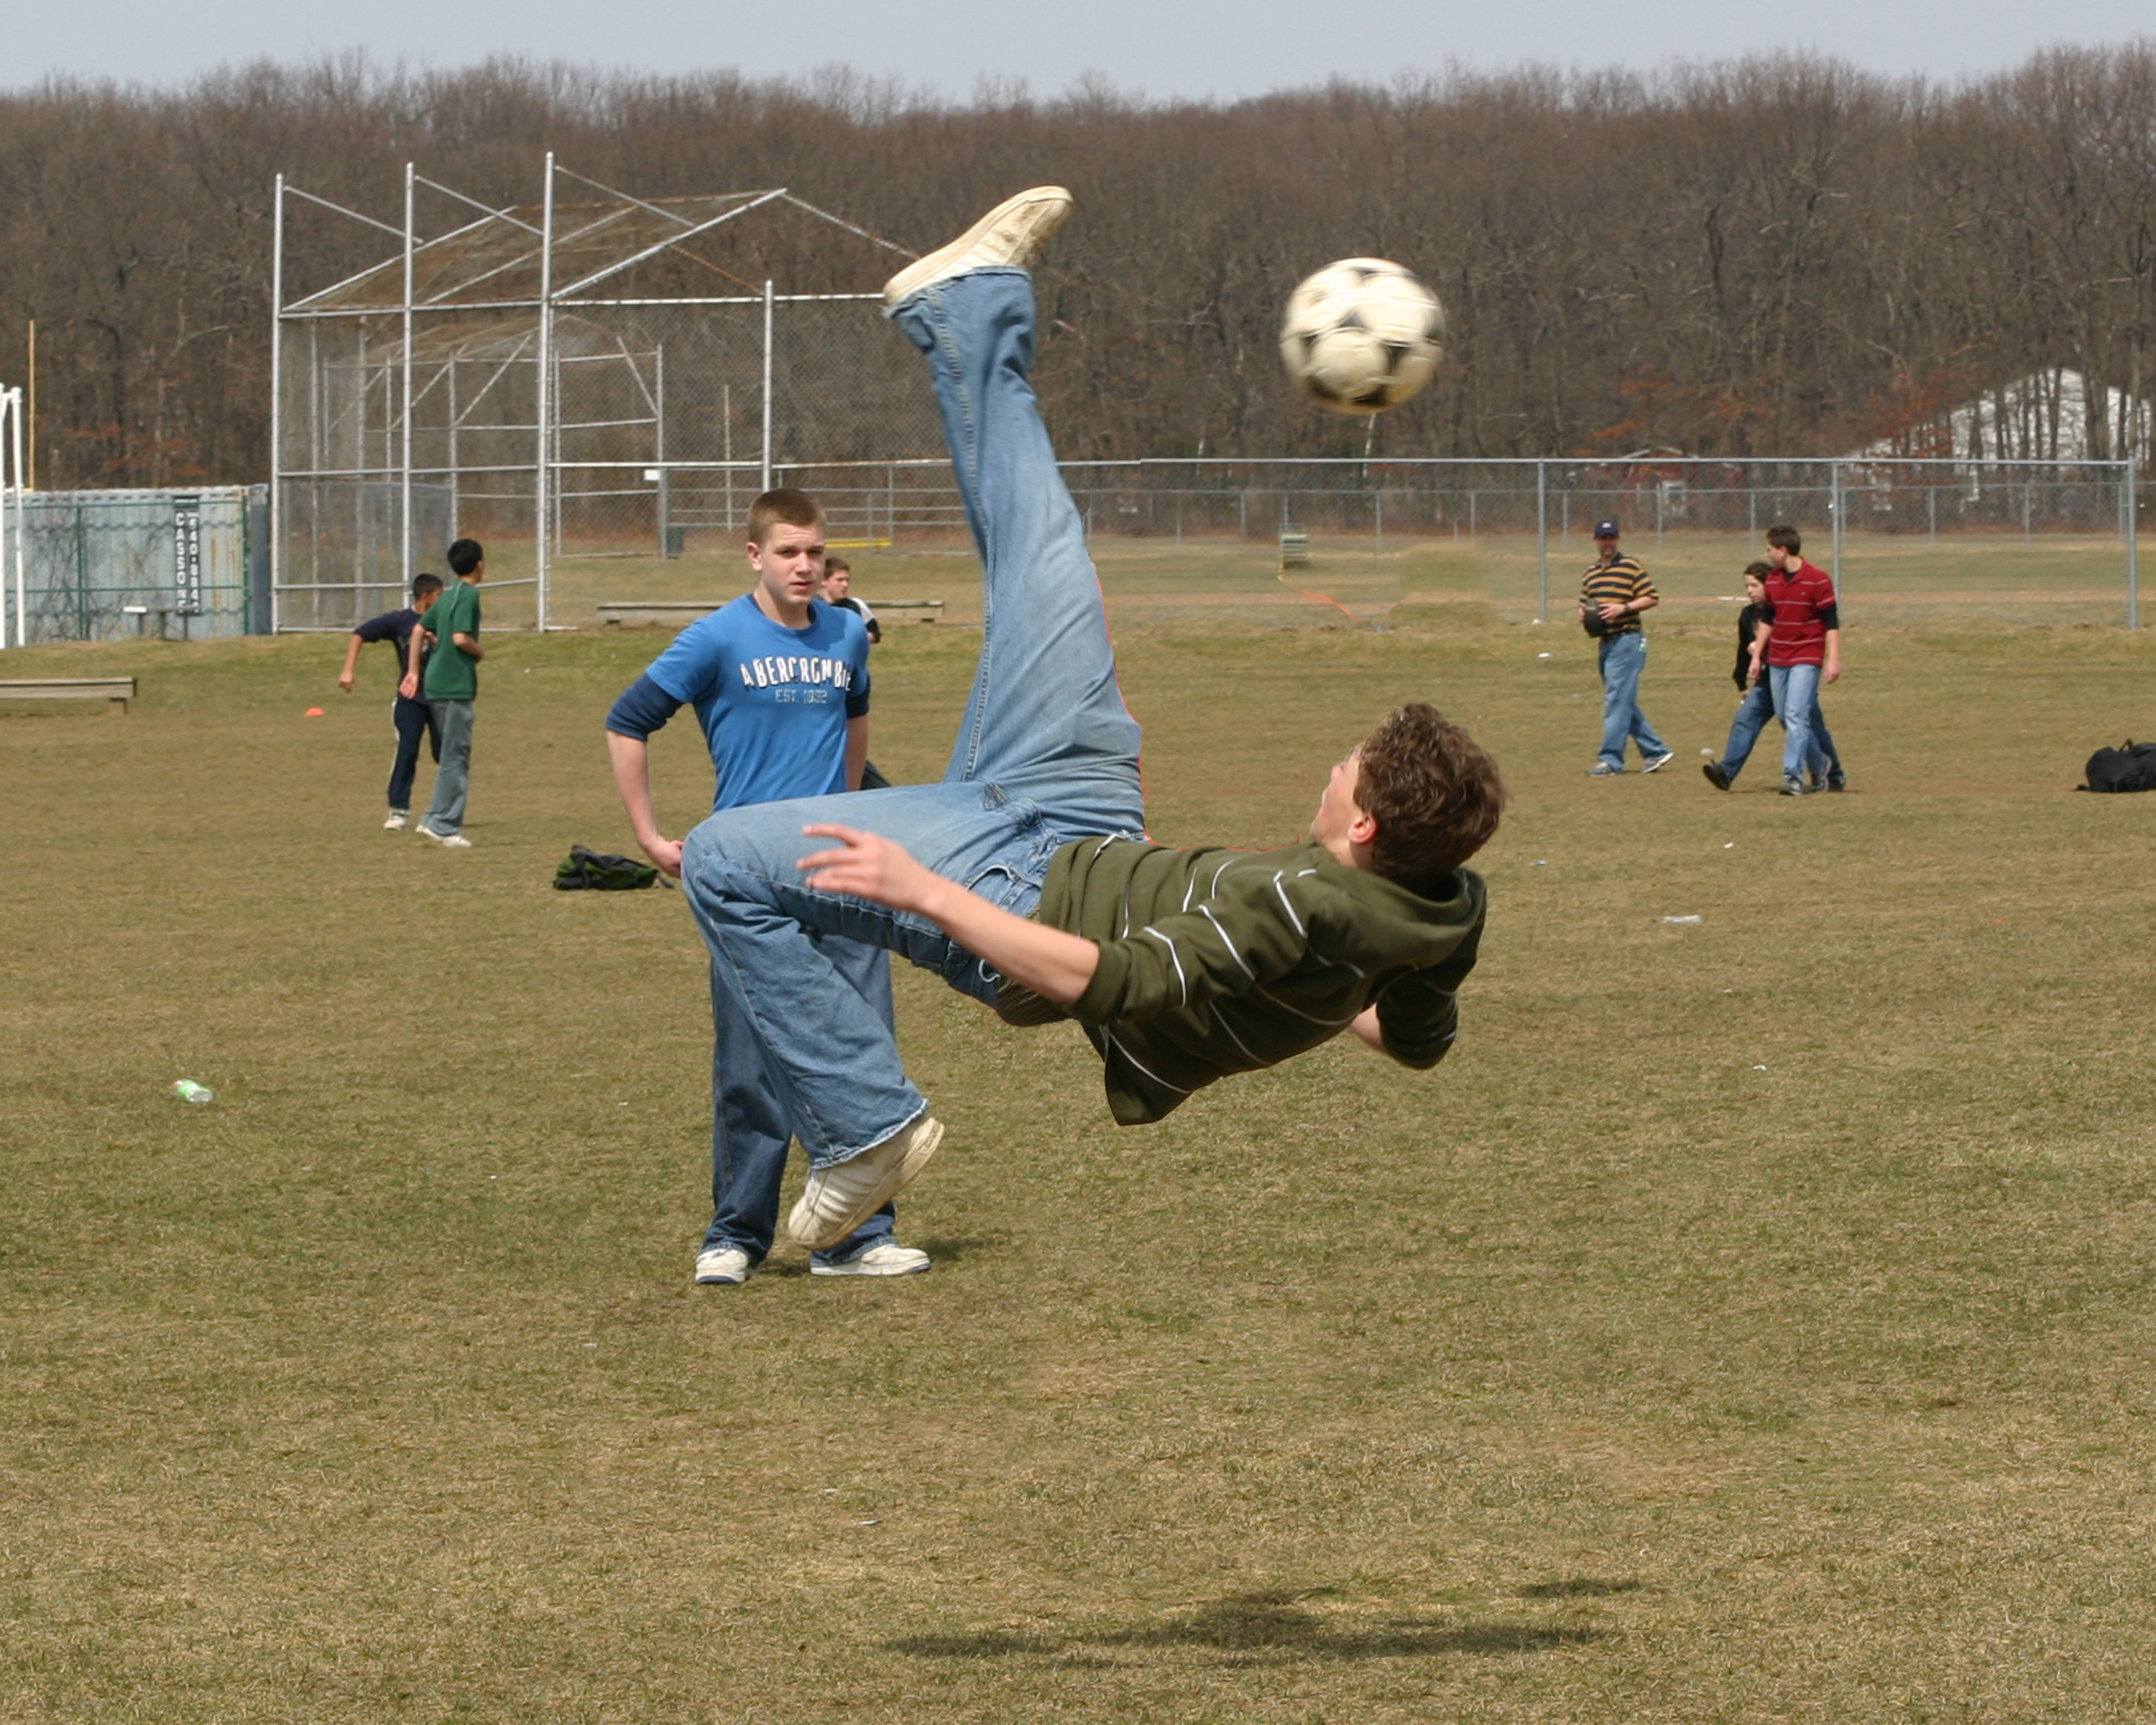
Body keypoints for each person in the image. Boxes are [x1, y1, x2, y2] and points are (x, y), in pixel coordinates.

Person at [675, 188, 1503, 1255]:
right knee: (1045, 560)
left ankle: (864, 1124)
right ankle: (969, 305)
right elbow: (1419, 1042)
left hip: (1012, 894)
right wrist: (1306, 989)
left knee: (719, 860)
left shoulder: (1292, 901)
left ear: (1366, 832)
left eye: (1351, 769)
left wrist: (923, 891)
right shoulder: (1438, 908)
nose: (1335, 768)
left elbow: (1107, 980)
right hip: (1080, 807)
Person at [606, 490, 929, 1285]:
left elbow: (855, 721)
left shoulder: (849, 633)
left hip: (837, 872)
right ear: (755, 555)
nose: (806, 566)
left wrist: (849, 810)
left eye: (816, 552)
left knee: (860, 1050)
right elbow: (627, 721)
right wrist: (649, 837)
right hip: (748, 883)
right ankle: (735, 1235)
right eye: (789, 552)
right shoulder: (716, 638)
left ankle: (855, 1239)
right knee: (750, 1062)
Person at [1703, 564, 1838, 792]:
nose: (1750, 591)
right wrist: (1741, 682)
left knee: (1810, 727)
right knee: (1746, 719)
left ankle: (1832, 772)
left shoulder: (1786, 609)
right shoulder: (1748, 615)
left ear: (1771, 586)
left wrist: (1764, 646)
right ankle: (1727, 772)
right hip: (1767, 681)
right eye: (1747, 586)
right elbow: (1742, 650)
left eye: (1755, 585)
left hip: (1795, 675)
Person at [338, 574, 442, 829]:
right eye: (440, 596)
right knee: (407, 751)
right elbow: (360, 634)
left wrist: (435, 641)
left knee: (447, 756)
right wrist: (348, 669)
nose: (443, 601)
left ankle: (444, 811)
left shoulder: (445, 621)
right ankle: (398, 811)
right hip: (410, 699)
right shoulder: (401, 621)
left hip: (442, 699)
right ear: (425, 597)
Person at [1578, 519, 1674, 776]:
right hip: (1605, 643)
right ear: (1595, 540)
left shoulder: (1630, 566)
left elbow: (1651, 597)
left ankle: (1611, 760)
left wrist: (1625, 607)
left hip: (1628, 640)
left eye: (1612, 538)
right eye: (1603, 538)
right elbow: (1585, 603)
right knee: (1622, 701)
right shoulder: (1591, 574)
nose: (1608, 543)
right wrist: (1584, 615)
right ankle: (1656, 750)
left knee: (1616, 701)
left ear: (1617, 539)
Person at [1756, 525, 1843, 797]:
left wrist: (1833, 659)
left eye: (1770, 549)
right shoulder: (1772, 580)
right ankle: (1821, 764)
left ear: (1783, 550)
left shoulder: (1817, 580)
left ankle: (1792, 776)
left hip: (1806, 655)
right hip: (1779, 656)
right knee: (1785, 716)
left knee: (1796, 714)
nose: (1768, 554)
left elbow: (1831, 623)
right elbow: (1768, 619)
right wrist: (1758, 654)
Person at [414, 538, 484, 847]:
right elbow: (459, 638)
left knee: (448, 755)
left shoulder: (447, 594)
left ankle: (432, 816)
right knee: (457, 756)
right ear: (480, 565)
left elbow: (419, 629)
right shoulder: (468, 595)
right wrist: (479, 652)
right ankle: (445, 825)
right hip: (455, 684)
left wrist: (414, 672)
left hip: (435, 682)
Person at [821, 555, 881, 644]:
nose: (845, 585)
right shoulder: (811, 607)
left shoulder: (856, 605)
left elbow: (875, 634)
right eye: (840, 580)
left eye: (847, 580)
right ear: (823, 581)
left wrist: (852, 639)